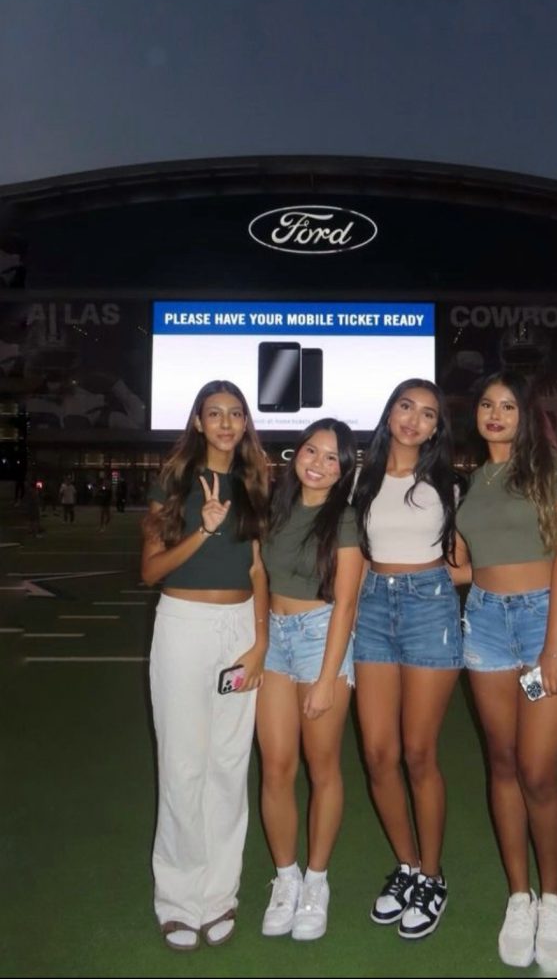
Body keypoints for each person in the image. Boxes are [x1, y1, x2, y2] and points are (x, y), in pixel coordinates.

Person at [453, 371, 557, 970]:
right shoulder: (472, 481)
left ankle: (554, 898)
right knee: (502, 763)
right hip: (483, 622)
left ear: (525, 415)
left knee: (538, 772)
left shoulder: (552, 468)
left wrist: (554, 644)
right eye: (487, 404)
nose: (495, 413)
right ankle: (519, 896)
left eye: (507, 405)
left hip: (544, 624)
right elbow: (462, 568)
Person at [141, 380, 269, 952]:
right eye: (213, 413)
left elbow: (259, 571)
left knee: (227, 764)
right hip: (183, 629)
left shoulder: (255, 483)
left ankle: (219, 895)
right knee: (183, 765)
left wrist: (260, 642)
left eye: (234, 413)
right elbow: (151, 571)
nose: (224, 422)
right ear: (197, 421)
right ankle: (177, 898)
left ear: (245, 423)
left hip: (239, 631)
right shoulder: (172, 482)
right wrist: (204, 530)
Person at [352, 378, 462, 940]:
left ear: (437, 427)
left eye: (427, 414)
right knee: (377, 753)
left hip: (429, 611)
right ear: (390, 412)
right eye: (405, 407)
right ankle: (407, 865)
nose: (413, 420)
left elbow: (465, 562)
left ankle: (433, 876)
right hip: (371, 609)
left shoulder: (446, 482)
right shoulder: (360, 477)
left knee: (419, 753)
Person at [256, 419, 362, 942]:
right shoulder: (276, 507)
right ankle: (286, 877)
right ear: (296, 453)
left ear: (344, 471)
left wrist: (326, 678)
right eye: (311, 450)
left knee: (323, 768)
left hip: (322, 638)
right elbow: (258, 578)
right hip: (274, 637)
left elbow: (346, 604)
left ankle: (317, 881)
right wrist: (258, 643)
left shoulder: (344, 520)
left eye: (331, 458)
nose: (317, 463)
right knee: (276, 766)